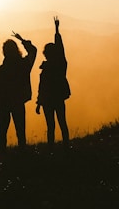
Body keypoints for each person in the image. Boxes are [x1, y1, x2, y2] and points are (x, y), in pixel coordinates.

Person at [0, 31, 37, 151]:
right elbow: (33, 51)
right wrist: (23, 40)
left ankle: (2, 155)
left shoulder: (1, 69)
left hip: (4, 103)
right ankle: (22, 156)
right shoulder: (24, 64)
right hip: (18, 101)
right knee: (20, 132)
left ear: (4, 52)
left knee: (2, 133)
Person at [36, 17, 70, 150]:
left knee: (51, 125)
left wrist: (39, 103)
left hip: (47, 100)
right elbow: (61, 48)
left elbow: (41, 87)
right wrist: (56, 30)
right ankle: (66, 146)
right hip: (57, 97)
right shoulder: (60, 65)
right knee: (62, 122)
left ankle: (51, 148)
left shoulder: (50, 67)